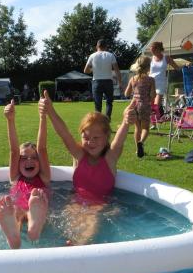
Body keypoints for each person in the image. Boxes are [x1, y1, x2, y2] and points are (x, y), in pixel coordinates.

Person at [39, 91, 136, 245]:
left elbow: (119, 141)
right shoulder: (79, 155)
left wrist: (126, 122)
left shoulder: (110, 159)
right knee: (64, 224)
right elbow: (64, 134)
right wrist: (50, 110)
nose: (91, 142)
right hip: (75, 201)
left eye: (96, 138)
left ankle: (78, 246)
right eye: (86, 138)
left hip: (100, 205)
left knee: (90, 222)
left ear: (106, 138)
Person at [0, 98, 51, 249]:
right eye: (24, 158)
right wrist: (10, 120)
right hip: (19, 211)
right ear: (17, 163)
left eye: (34, 157)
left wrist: (42, 117)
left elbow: (42, 148)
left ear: (40, 161)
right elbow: (13, 150)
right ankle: (15, 236)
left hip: (37, 210)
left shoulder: (44, 178)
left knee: (38, 205)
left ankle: (32, 227)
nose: (29, 161)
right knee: (15, 210)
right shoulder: (15, 177)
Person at [125, 56, 156, 158]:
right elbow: (153, 95)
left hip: (134, 105)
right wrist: (150, 103)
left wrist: (134, 93)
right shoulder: (151, 80)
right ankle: (141, 143)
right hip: (145, 105)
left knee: (137, 128)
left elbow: (126, 93)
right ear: (148, 67)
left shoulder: (132, 79)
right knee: (145, 128)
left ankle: (137, 150)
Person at [84, 39, 123, 120]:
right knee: (109, 102)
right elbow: (117, 70)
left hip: (96, 81)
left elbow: (86, 70)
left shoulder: (92, 56)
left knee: (98, 104)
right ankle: (107, 122)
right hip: (108, 81)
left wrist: (93, 69)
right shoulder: (110, 55)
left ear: (97, 46)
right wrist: (120, 83)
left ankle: (98, 123)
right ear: (106, 46)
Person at [149, 41, 183, 119]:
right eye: (151, 50)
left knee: (156, 104)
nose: (152, 52)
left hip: (161, 83)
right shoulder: (150, 59)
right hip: (151, 82)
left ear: (158, 49)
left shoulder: (166, 58)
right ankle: (153, 121)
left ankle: (155, 119)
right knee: (150, 104)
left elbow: (177, 68)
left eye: (153, 50)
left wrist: (185, 66)